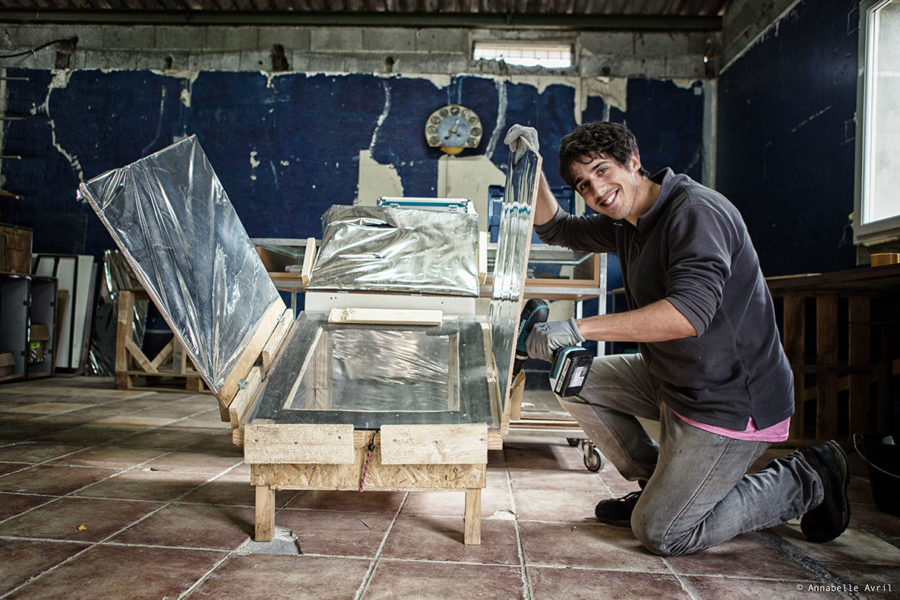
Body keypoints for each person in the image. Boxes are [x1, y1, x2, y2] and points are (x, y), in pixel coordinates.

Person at [503, 121, 850, 557]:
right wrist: (531, 165)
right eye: (583, 184)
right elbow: (557, 229)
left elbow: (688, 314)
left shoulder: (695, 213)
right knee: (574, 381)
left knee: (662, 533)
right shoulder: (628, 220)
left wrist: (577, 328)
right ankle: (657, 486)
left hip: (729, 398)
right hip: (675, 379)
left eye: (603, 171)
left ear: (633, 161)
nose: (597, 190)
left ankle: (807, 477)